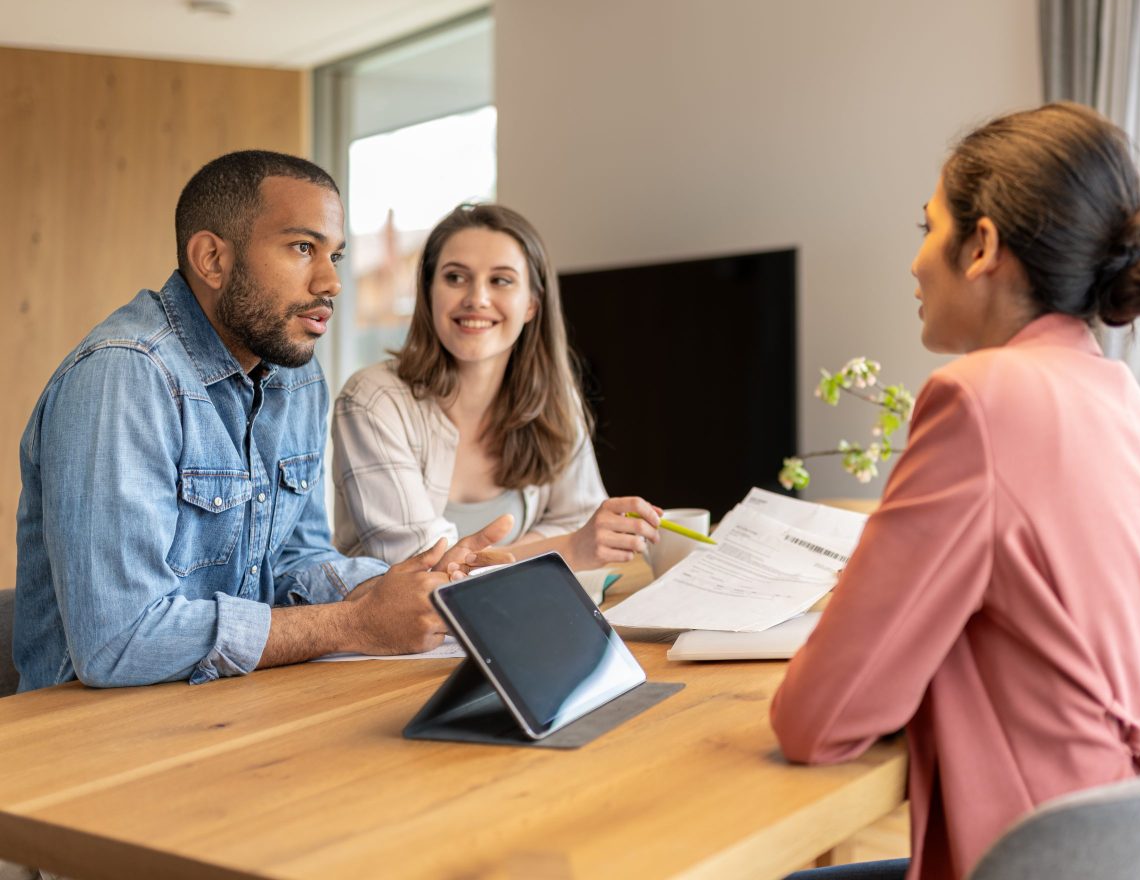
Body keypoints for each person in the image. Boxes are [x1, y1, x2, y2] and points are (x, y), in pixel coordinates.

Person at [771, 102, 1140, 880]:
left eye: (927, 229)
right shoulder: (1117, 390)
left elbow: (821, 720)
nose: (915, 263)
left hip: (1052, 852)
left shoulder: (978, 397)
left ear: (980, 246)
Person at [11, 150, 511, 694]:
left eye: (336, 255)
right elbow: (119, 642)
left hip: (227, 705)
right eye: (303, 248)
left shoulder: (295, 377)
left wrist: (421, 588)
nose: (331, 282)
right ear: (212, 259)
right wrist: (354, 624)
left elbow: (296, 557)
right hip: (89, 742)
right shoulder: (125, 375)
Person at [331, 203, 661, 570]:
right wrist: (564, 549)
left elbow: (580, 520)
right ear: (429, 292)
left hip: (515, 619)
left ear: (532, 304)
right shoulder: (372, 401)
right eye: (455, 277)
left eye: (501, 280)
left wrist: (554, 545)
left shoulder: (554, 397)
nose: (477, 298)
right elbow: (422, 569)